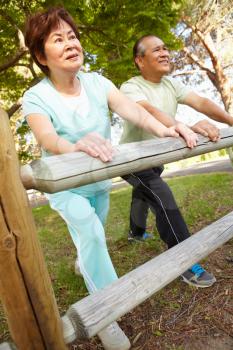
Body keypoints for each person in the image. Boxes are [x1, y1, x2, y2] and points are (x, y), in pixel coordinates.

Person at [22, 9, 197, 350]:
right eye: (58, 39)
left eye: (72, 36)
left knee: (94, 235)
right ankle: (106, 314)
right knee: (88, 228)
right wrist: (74, 146)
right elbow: (46, 138)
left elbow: (133, 111)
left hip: (99, 179)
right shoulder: (35, 96)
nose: (71, 42)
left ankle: (83, 260)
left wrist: (166, 128)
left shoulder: (99, 83)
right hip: (64, 184)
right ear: (42, 56)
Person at [120, 34, 233, 289]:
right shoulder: (130, 86)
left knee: (143, 194)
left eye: (165, 48)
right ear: (140, 60)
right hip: (133, 159)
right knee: (162, 197)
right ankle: (184, 260)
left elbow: (201, 102)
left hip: (157, 156)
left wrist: (230, 121)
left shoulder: (171, 85)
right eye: (156, 50)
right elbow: (148, 111)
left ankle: (135, 233)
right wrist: (184, 126)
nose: (165, 53)